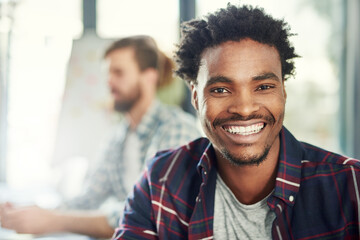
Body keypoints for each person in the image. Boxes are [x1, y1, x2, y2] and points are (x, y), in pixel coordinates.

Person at [112, 5, 360, 240]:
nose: (244, 108)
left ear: (283, 91)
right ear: (196, 97)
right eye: (220, 90)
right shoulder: (160, 182)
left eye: (263, 87)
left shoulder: (351, 187)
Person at [0, 35, 202, 238]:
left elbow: (151, 216)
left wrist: (54, 220)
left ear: (149, 77)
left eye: (118, 73)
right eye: (107, 73)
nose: (109, 82)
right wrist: (31, 213)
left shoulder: (177, 129)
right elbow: (88, 198)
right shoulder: (117, 137)